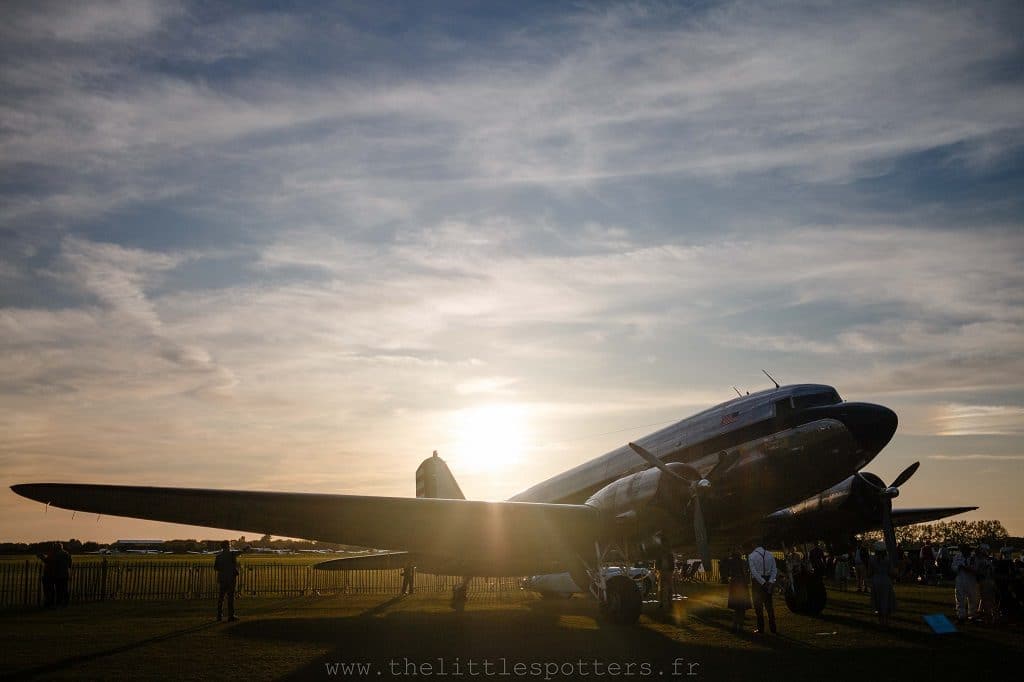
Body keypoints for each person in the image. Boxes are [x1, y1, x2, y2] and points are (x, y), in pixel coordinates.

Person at [748, 542, 777, 634]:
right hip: (768, 579)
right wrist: (770, 581)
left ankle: (761, 628)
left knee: (758, 606)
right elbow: (774, 569)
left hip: (757, 583)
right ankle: (773, 628)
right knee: (769, 606)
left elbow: (754, 572)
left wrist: (763, 582)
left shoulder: (752, 556)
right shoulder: (770, 554)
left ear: (754, 546)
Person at [214, 540, 246, 621]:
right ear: (228, 546)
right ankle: (230, 616)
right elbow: (240, 552)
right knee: (230, 597)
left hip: (222, 578)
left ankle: (219, 615)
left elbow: (216, 568)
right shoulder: (232, 554)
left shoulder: (218, 556)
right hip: (231, 578)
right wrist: (246, 548)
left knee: (221, 598)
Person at [721, 546, 751, 632]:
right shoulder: (743, 562)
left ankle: (735, 624)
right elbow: (746, 573)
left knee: (737, 606)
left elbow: (724, 567)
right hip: (742, 584)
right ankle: (740, 625)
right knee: (742, 606)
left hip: (734, 583)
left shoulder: (730, 561)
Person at [868, 541, 896, 627]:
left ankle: (881, 620)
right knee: (886, 599)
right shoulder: (888, 559)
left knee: (878, 599)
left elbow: (869, 572)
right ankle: (886, 620)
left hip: (876, 580)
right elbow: (891, 572)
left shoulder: (872, 559)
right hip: (885, 580)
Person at [951, 545, 979, 623]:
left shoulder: (973, 558)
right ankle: (961, 616)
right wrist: (959, 567)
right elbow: (953, 567)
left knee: (972, 598)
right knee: (960, 598)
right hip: (960, 579)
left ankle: (972, 615)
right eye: (964, 550)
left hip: (971, 580)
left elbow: (976, 569)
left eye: (967, 550)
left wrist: (970, 569)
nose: (965, 552)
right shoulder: (957, 557)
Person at [53, 542, 72, 607]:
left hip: (58, 574)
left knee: (58, 589)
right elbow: (70, 564)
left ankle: (59, 602)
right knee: (65, 588)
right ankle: (66, 601)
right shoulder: (67, 553)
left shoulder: (56, 554)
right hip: (66, 573)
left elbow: (55, 564)